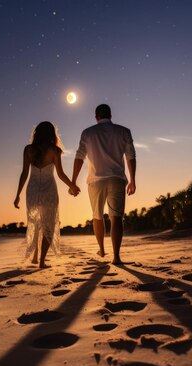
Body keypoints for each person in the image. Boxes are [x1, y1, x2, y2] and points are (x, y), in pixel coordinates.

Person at [71, 104, 136, 264]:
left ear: (96, 117)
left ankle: (101, 249)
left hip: (96, 181)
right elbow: (131, 157)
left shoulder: (87, 133)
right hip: (117, 179)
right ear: (111, 116)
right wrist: (133, 180)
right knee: (117, 218)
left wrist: (73, 181)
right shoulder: (124, 131)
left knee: (97, 217)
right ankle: (116, 257)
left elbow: (79, 157)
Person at [14, 121, 79, 268]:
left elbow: (24, 173)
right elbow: (61, 174)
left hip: (33, 190)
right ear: (52, 134)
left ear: (36, 133)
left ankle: (35, 257)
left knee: (35, 222)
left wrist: (18, 194)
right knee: (48, 224)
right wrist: (72, 186)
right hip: (49, 189)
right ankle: (42, 260)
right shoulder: (55, 150)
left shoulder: (28, 149)